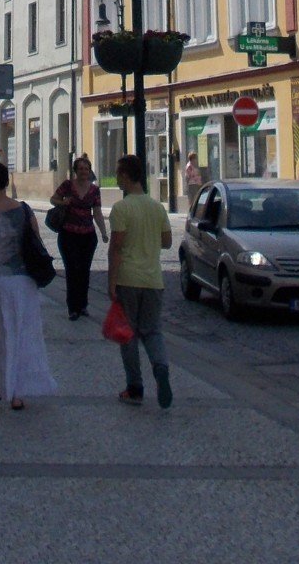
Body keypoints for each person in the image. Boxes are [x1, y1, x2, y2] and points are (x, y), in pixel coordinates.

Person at [0, 160, 56, 409]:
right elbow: (36, 241)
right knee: (21, 334)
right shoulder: (25, 210)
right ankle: (17, 392)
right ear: (6, 182)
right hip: (24, 281)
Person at [107, 153, 173, 408]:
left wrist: (111, 281)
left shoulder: (121, 208)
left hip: (128, 279)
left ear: (126, 176)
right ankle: (160, 367)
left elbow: (116, 247)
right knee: (153, 331)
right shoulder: (157, 207)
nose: (117, 179)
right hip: (153, 279)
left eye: (118, 174)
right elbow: (167, 242)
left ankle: (135, 387)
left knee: (128, 334)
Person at [50, 155, 104, 321]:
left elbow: (97, 212)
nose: (83, 172)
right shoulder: (67, 185)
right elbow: (53, 199)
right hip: (68, 234)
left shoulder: (94, 190)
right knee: (72, 270)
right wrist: (63, 202)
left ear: (90, 171)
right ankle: (73, 307)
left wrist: (103, 231)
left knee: (84, 271)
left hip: (88, 235)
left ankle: (83, 305)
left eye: (86, 169)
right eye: (80, 169)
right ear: (75, 171)